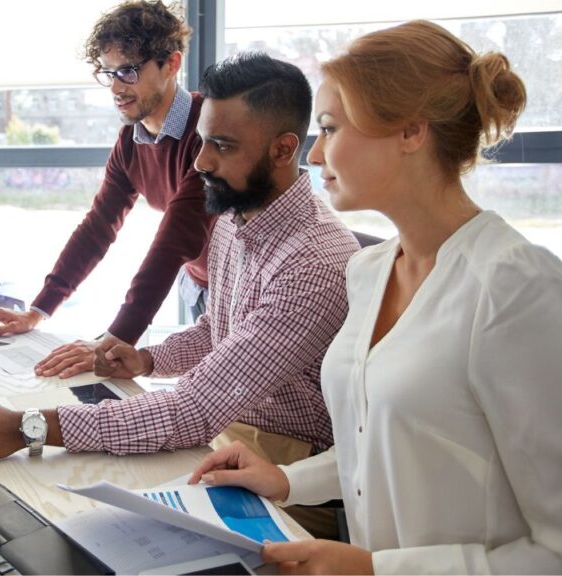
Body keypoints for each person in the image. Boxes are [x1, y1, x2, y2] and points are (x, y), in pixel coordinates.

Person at [188, 20, 562, 575]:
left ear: (411, 132)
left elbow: (554, 549)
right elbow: (379, 443)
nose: (314, 157)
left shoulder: (515, 288)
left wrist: (376, 570)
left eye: (331, 129)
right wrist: (289, 479)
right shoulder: (369, 270)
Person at [0, 53, 359, 470]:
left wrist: (24, 428)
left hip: (287, 456)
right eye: (202, 141)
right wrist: (147, 359)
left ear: (283, 149)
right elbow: (217, 330)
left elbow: (193, 411)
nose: (201, 163)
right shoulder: (235, 218)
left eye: (223, 146)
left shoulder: (313, 264)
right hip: (229, 425)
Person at [0, 0, 216, 379]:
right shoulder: (131, 143)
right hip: (199, 282)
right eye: (109, 73)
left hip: (244, 282)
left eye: (129, 71)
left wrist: (114, 341)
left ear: (172, 64)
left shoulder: (208, 131)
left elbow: (175, 240)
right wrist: (39, 309)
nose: (117, 87)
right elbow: (97, 228)